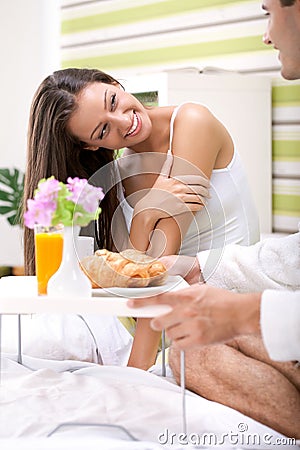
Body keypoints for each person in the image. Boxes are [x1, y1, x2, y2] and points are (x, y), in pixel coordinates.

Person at [128, 0, 300, 438]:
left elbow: (156, 261)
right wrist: (194, 264)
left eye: (267, 12)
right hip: (217, 296)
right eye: (99, 132)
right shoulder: (123, 165)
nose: (266, 35)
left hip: (230, 300)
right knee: (191, 355)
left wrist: (246, 311)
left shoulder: (194, 121)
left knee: (191, 355)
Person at [23, 67, 259, 370]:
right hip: (158, 311)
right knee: (36, 343)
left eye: (113, 101)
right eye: (103, 131)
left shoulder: (192, 123)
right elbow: (134, 275)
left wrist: (137, 371)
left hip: (220, 303)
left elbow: (157, 267)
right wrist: (143, 216)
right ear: (91, 145)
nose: (124, 121)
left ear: (115, 83)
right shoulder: (121, 173)